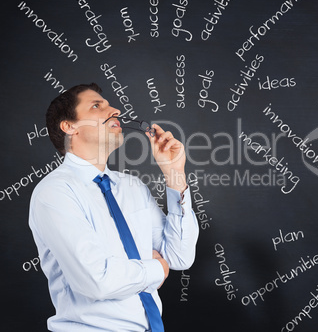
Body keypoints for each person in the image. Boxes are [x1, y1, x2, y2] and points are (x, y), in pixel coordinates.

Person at [28, 83, 199, 331]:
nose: (115, 110)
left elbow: (180, 256)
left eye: (109, 104)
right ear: (69, 127)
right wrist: (156, 268)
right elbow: (97, 281)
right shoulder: (55, 193)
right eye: (97, 105)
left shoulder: (133, 187)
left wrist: (174, 174)